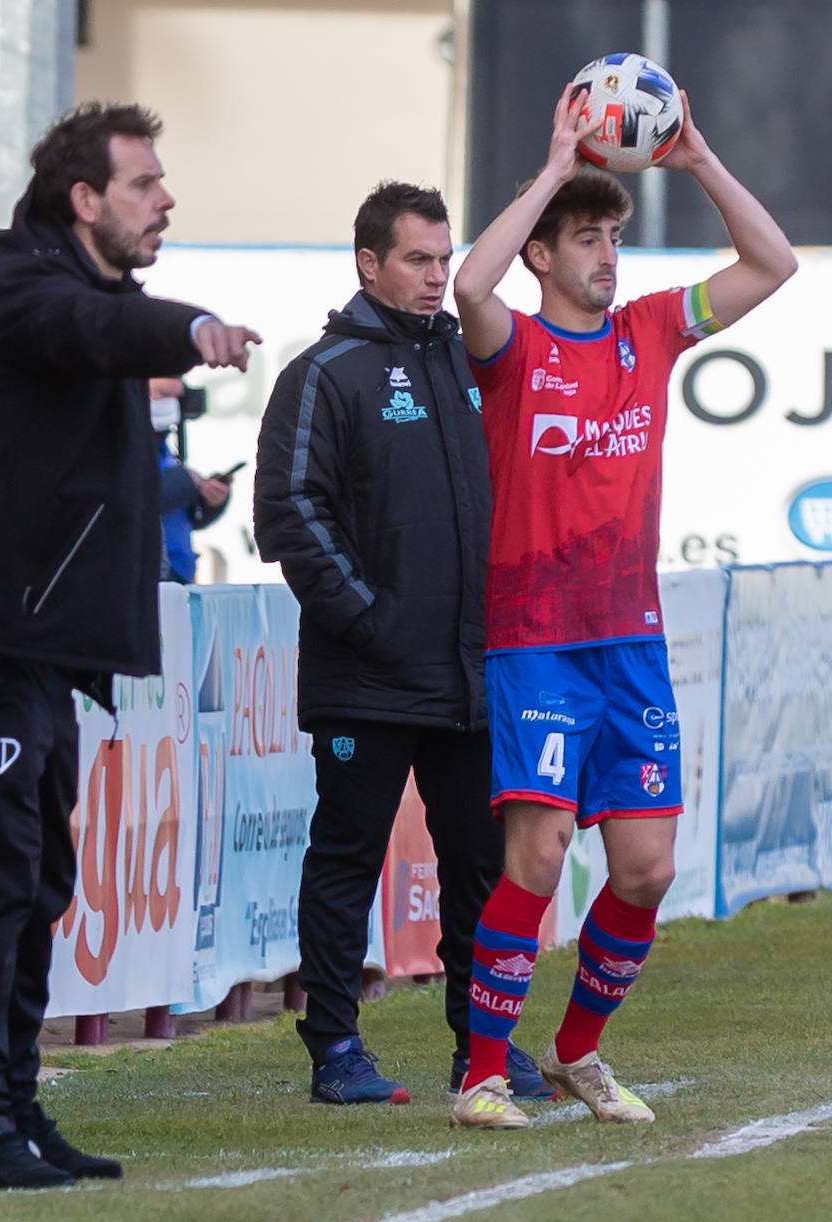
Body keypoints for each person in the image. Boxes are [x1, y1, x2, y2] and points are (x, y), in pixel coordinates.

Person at [0, 101, 259, 1190]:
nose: (167, 198)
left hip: (35, 648)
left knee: (39, 877)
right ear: (85, 200)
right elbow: (92, 333)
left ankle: (13, 1109)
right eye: (145, 183)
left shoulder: (83, 295)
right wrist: (191, 332)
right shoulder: (21, 292)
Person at [447, 85, 796, 1129]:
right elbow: (469, 281)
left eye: (612, 235)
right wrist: (553, 169)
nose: (608, 254)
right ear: (543, 257)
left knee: (646, 868)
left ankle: (577, 1050)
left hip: (630, 643)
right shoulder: (510, 351)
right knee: (540, 850)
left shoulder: (649, 332)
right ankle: (480, 1072)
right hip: (537, 642)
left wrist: (697, 159)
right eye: (585, 239)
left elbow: (774, 265)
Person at [254, 181, 553, 1107]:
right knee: (347, 857)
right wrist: (371, 620)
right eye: (419, 260)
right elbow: (290, 513)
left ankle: (482, 1048)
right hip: (368, 678)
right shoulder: (325, 372)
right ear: (368, 264)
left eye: (444, 258)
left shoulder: (473, 360)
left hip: (469, 673)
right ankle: (335, 1049)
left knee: (477, 865)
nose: (437, 277)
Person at [150, 376, 231, 583]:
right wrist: (187, 481)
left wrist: (209, 500)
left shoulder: (164, 447)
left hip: (175, 574)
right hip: (147, 575)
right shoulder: (119, 445)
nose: (170, 401)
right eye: (162, 394)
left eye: (175, 396)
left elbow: (181, 517)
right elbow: (131, 499)